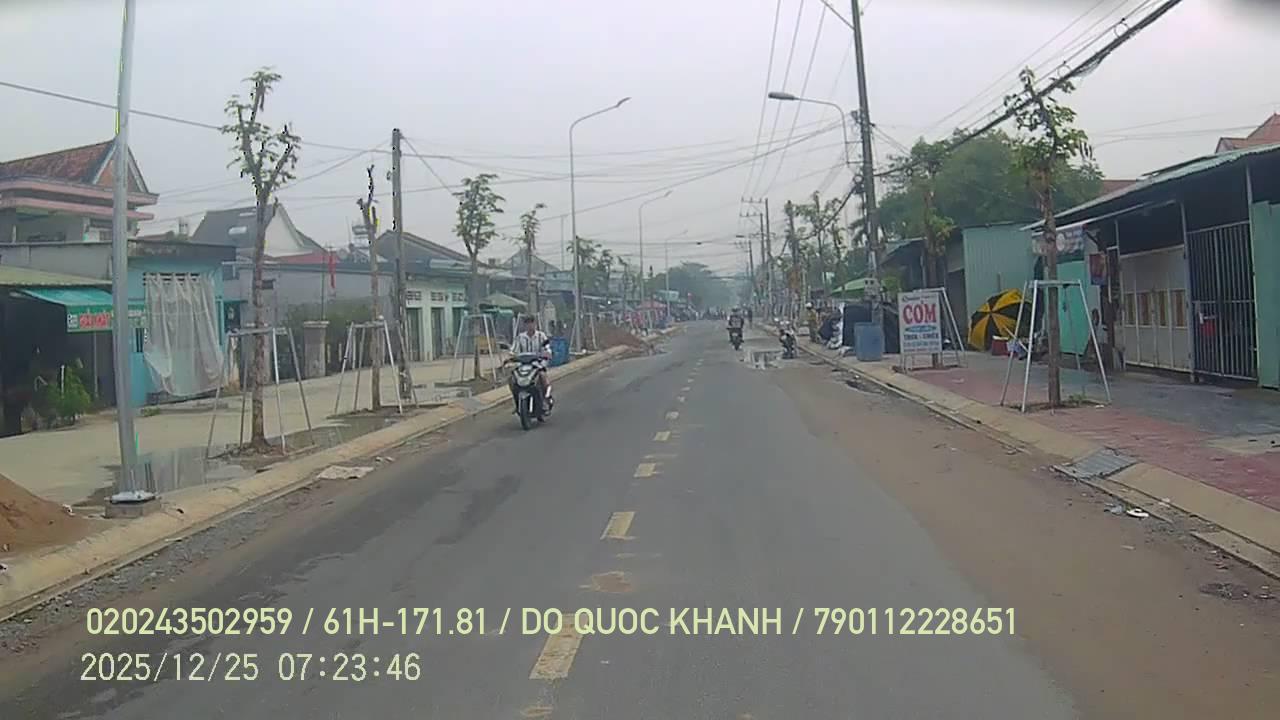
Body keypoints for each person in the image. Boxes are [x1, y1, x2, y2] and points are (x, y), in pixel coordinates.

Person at [510, 315, 552, 414]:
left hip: (537, 365)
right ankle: (517, 403)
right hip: (522, 366)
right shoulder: (520, 338)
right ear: (524, 325)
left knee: (543, 377)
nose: (530, 325)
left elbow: (548, 349)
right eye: (527, 323)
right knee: (512, 380)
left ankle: (545, 400)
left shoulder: (541, 336)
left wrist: (547, 354)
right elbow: (512, 351)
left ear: (535, 324)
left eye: (531, 323)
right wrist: (510, 358)